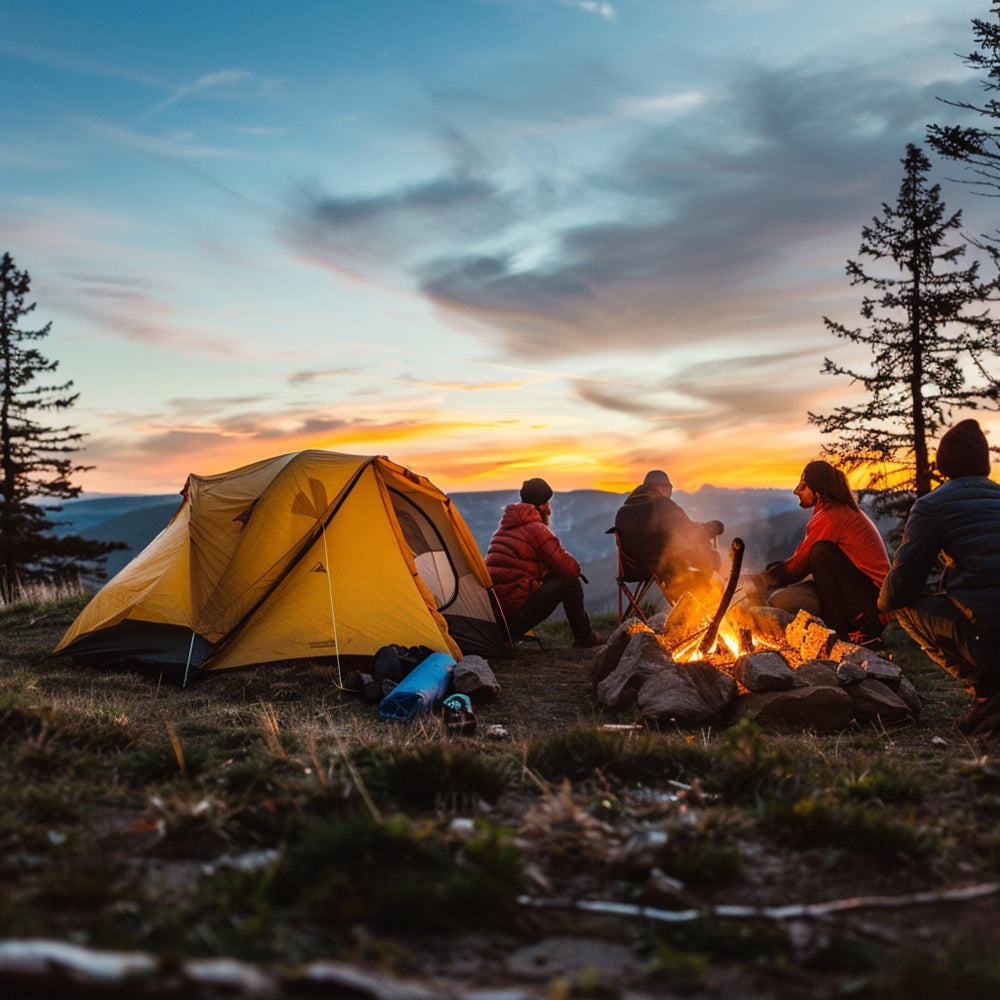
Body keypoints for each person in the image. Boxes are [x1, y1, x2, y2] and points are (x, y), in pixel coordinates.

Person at [878, 419, 1000, 734]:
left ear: (942, 463)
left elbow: (900, 590)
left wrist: (879, 602)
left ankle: (986, 693)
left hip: (989, 638)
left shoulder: (933, 506)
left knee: (903, 606)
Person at [742, 460, 890, 644]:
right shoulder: (834, 510)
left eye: (803, 486)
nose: (796, 491)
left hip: (871, 608)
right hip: (867, 597)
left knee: (821, 552)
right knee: (780, 568)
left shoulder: (832, 515)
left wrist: (759, 580)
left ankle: (848, 632)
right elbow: (798, 563)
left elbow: (797, 567)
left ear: (817, 492)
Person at [485, 477, 604, 648]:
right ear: (541, 506)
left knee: (553, 577)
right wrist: (570, 571)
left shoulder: (502, 530)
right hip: (514, 618)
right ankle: (585, 637)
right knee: (570, 583)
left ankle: (584, 636)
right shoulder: (535, 529)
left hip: (496, 618)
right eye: (546, 503)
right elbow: (569, 568)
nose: (549, 508)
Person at [613, 470, 724, 601]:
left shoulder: (623, 511)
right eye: (667, 487)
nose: (669, 491)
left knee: (688, 558)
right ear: (657, 487)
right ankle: (702, 603)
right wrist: (713, 527)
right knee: (709, 557)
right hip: (665, 566)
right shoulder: (663, 506)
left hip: (633, 569)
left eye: (670, 487)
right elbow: (690, 531)